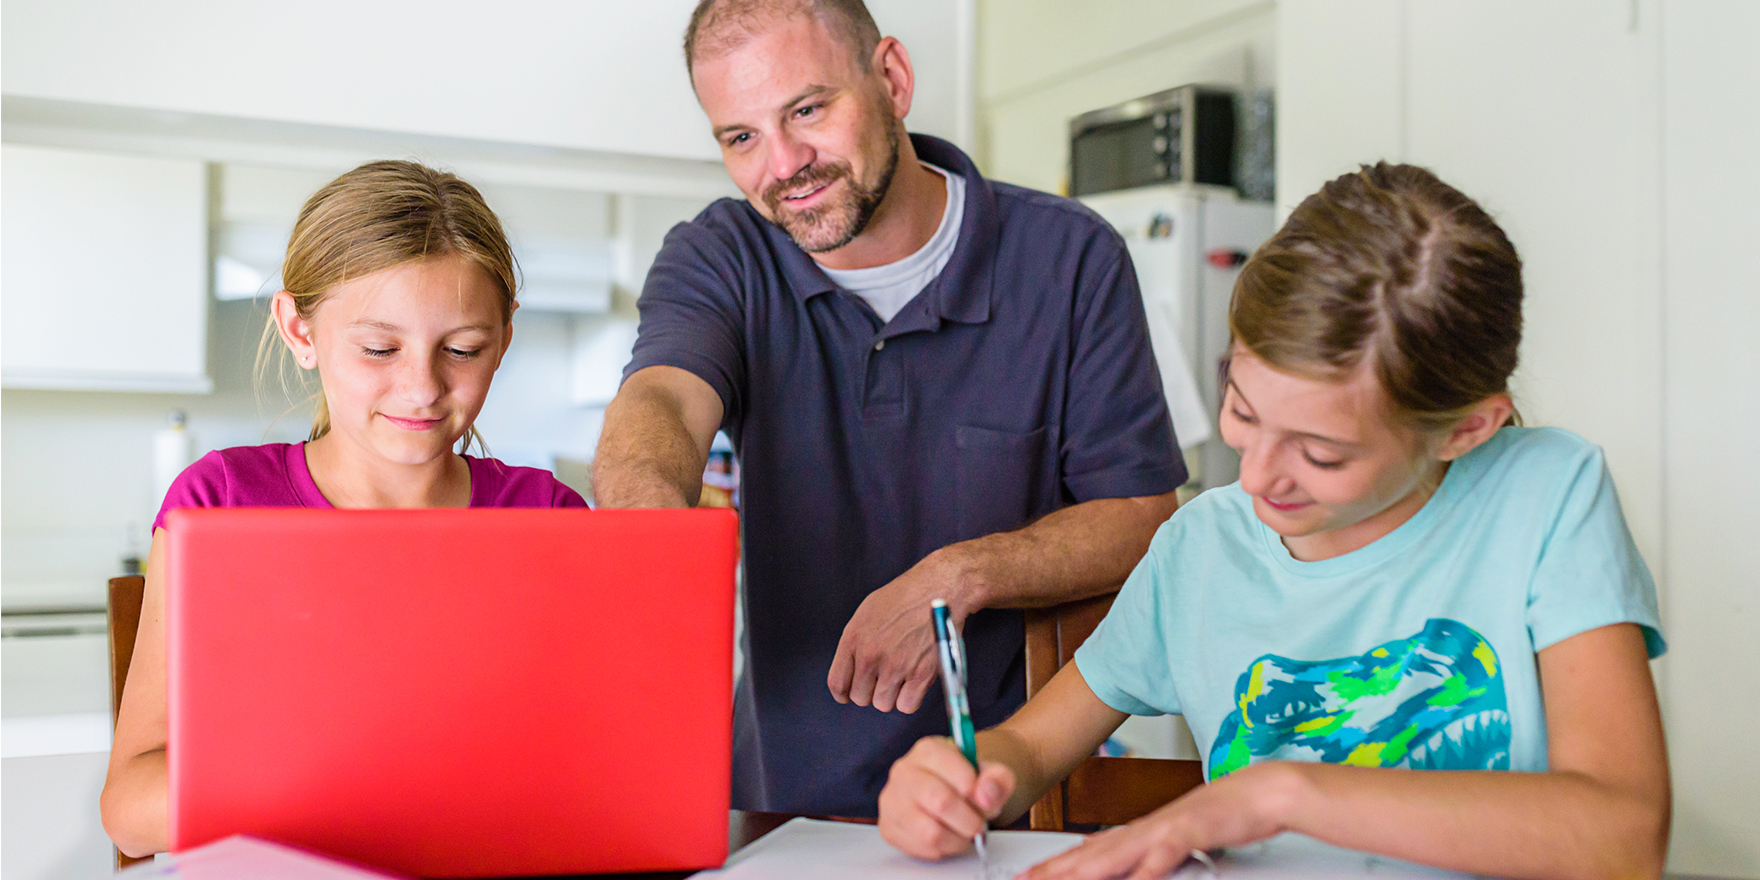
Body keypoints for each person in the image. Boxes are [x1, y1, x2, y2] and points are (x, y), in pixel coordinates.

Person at [877, 163, 1671, 880]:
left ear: (1466, 429)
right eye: (1242, 411)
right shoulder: (1199, 548)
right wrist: (961, 778)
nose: (1254, 476)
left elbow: (1623, 834)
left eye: (1321, 455)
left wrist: (1283, 793)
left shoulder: (1546, 495)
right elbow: (1031, 748)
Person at [591, 0, 1185, 816]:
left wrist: (962, 573)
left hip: (1002, 798)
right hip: (776, 803)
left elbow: (1144, 513)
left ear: (893, 80)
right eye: (741, 137)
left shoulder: (1070, 258)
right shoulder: (721, 253)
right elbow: (661, 398)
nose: (784, 163)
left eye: (808, 109)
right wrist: (645, 527)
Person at [99, 160, 587, 857]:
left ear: (504, 338)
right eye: (379, 348)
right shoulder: (221, 506)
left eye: (462, 349)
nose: (422, 389)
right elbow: (131, 811)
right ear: (301, 332)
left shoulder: (551, 518)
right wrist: (339, 767)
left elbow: (589, 773)